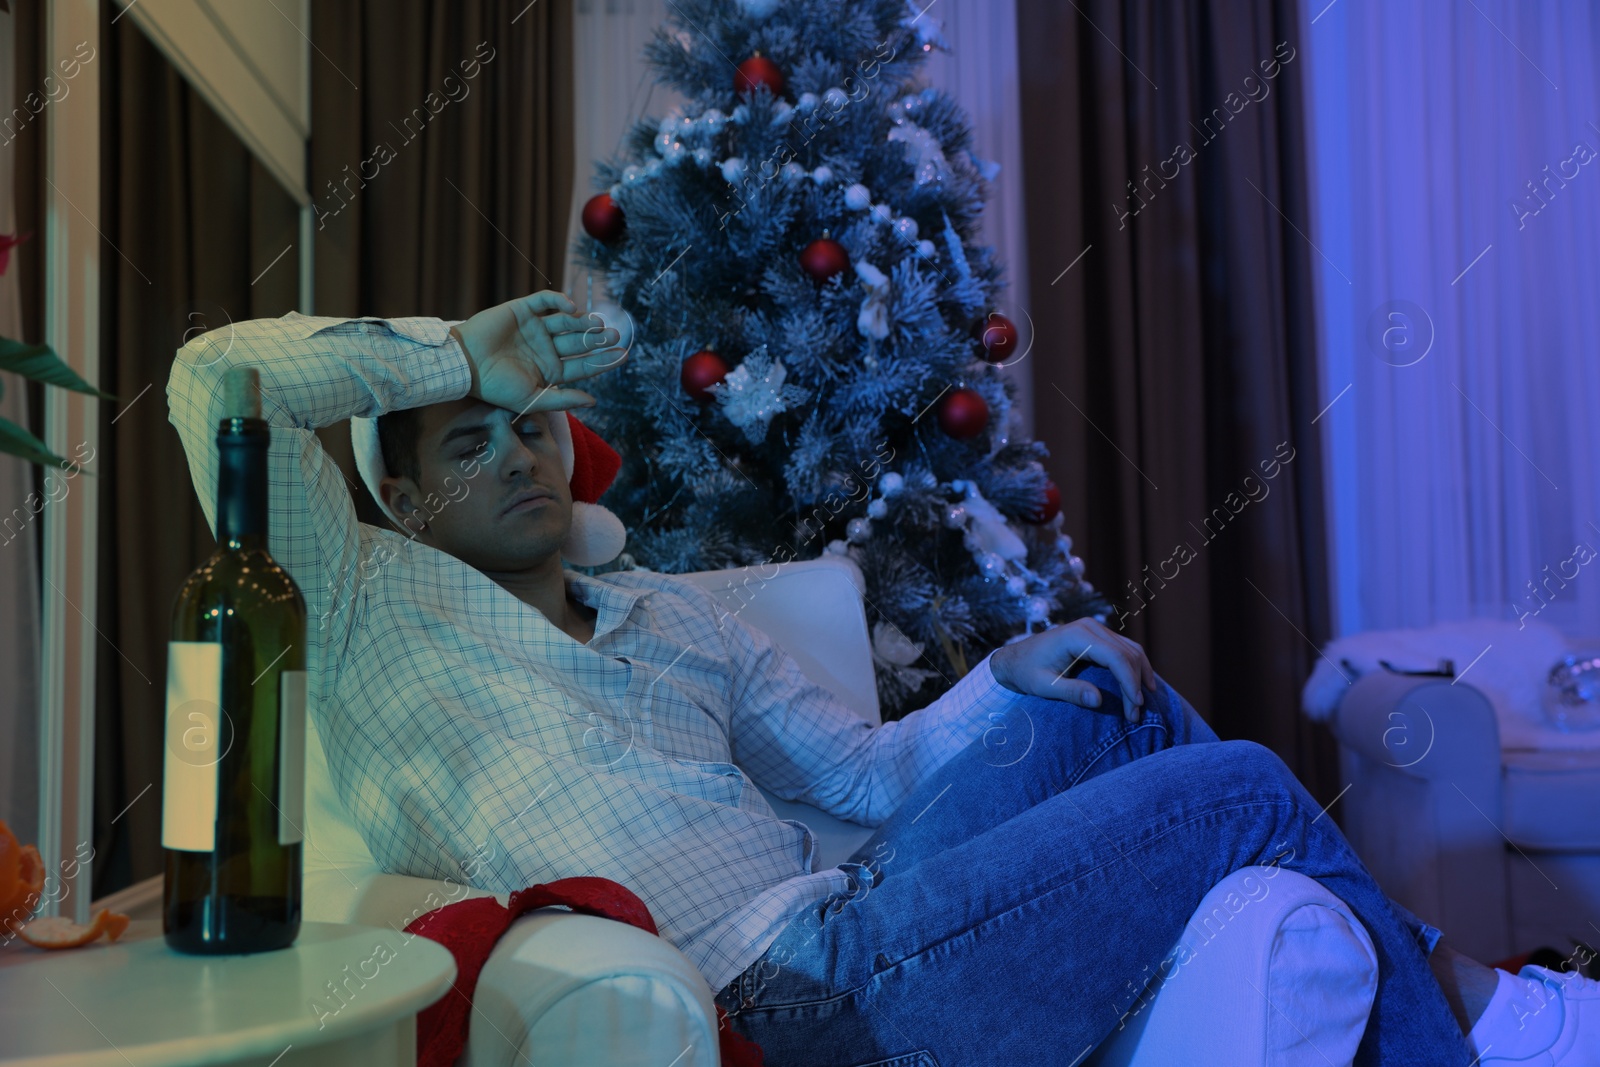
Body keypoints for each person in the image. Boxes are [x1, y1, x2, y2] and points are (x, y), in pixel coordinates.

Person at [168, 290, 1597, 1066]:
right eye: (466, 442)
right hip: (783, 1000)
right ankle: (1495, 1019)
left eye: (528, 427)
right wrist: (456, 349)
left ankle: (1477, 1010)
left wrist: (1010, 672)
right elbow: (213, 381)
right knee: (1236, 785)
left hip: (865, 919)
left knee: (1111, 694)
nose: (517, 457)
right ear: (403, 499)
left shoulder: (669, 613)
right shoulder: (362, 598)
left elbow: (866, 774)